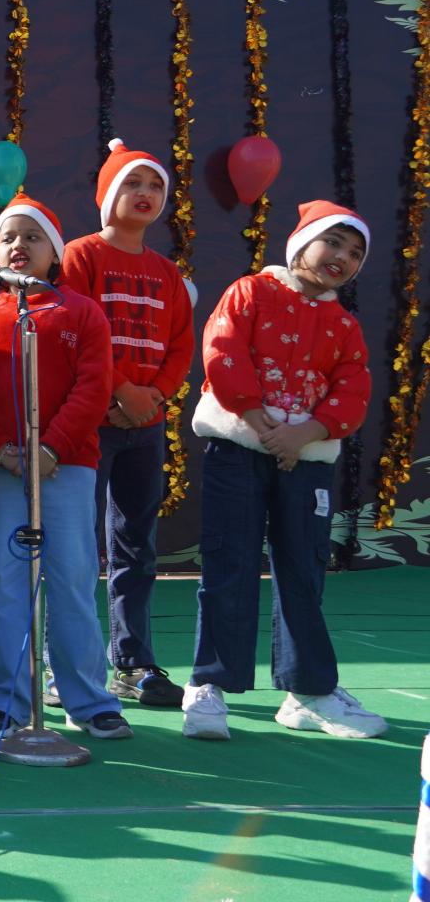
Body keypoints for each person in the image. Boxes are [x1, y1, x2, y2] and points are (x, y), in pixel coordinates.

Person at [182, 202, 385, 741]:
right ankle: (209, 685)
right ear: (301, 243)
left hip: (306, 459)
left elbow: (353, 388)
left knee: (303, 568)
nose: (342, 257)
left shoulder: (345, 326)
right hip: (237, 447)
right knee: (230, 562)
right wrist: (262, 424)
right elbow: (224, 351)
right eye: (333, 242)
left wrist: (306, 433)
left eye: (355, 252)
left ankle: (308, 692)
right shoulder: (251, 292)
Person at [0, 192, 129, 741]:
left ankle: (87, 698)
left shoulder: (82, 312)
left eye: (32, 237)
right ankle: (6, 700)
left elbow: (93, 387)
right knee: (3, 580)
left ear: (55, 252)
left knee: (72, 578)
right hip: (0, 470)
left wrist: (52, 447)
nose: (19, 246)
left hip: (67, 467)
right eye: (8, 237)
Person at [59, 140, 195, 708]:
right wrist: (119, 391)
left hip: (145, 424)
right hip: (88, 423)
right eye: (133, 183)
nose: (145, 194)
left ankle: (132, 662)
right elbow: (71, 329)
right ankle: (66, 663)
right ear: (109, 193)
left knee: (136, 546)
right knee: (73, 549)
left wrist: (153, 396)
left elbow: (182, 345)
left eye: (156, 185)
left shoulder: (167, 273)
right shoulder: (80, 256)